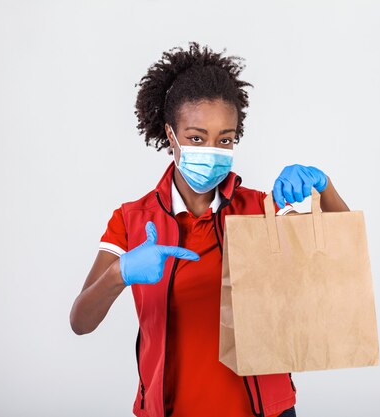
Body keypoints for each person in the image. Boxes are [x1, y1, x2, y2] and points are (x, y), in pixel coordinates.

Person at [69, 42, 350, 417]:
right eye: (197, 138)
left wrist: (324, 185)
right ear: (170, 135)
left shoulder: (259, 209)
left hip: (265, 411)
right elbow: (80, 322)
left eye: (226, 139)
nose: (213, 150)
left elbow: (342, 250)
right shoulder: (132, 220)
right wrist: (119, 274)